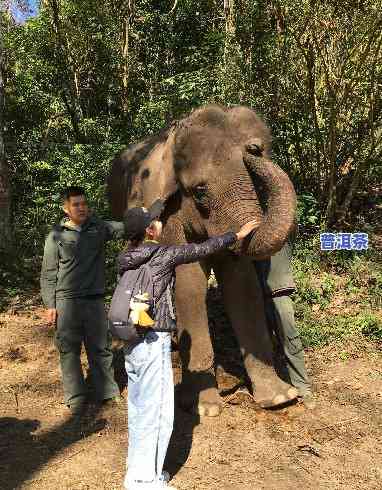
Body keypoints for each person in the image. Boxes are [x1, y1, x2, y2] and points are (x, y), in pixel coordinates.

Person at [119, 201, 259, 490]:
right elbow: (200, 250)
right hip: (152, 338)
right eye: (155, 220)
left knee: (139, 408)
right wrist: (237, 235)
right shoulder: (160, 255)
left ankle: (142, 473)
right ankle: (145, 481)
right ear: (150, 230)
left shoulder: (127, 257)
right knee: (157, 410)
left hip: (132, 341)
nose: (160, 223)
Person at [40, 186, 125, 415]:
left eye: (84, 203)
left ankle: (107, 392)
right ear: (66, 208)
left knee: (101, 348)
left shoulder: (98, 228)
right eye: (76, 204)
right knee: (69, 350)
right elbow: (48, 273)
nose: (81, 208)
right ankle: (76, 398)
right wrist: (50, 306)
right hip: (66, 301)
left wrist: (150, 213)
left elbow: (127, 226)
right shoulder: (55, 236)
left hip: (94, 300)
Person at [254, 238, 315, 409]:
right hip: (256, 297)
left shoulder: (282, 227)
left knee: (290, 340)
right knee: (261, 345)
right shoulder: (253, 234)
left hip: (279, 293)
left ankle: (303, 388)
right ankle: (269, 385)